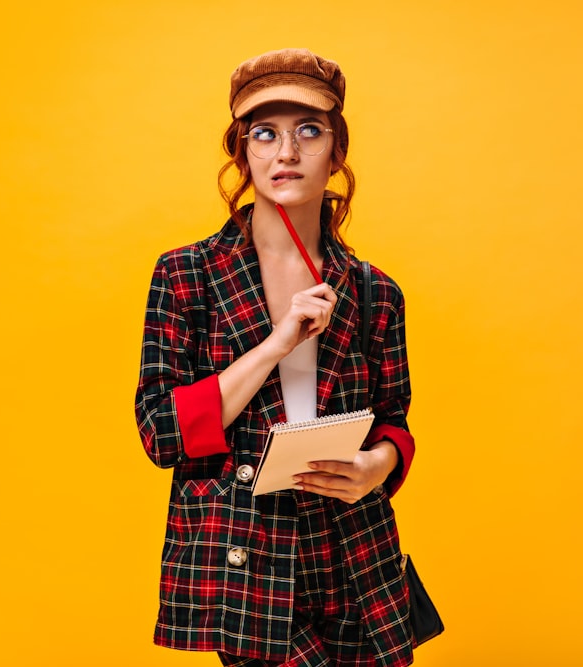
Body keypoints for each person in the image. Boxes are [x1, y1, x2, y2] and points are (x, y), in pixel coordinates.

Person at [135, 48, 417, 667]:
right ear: (243, 153)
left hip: (353, 556)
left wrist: (376, 466)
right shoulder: (188, 274)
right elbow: (161, 433)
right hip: (246, 558)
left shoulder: (374, 292)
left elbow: (395, 419)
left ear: (336, 153)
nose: (286, 153)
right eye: (265, 134)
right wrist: (274, 345)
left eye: (308, 132)